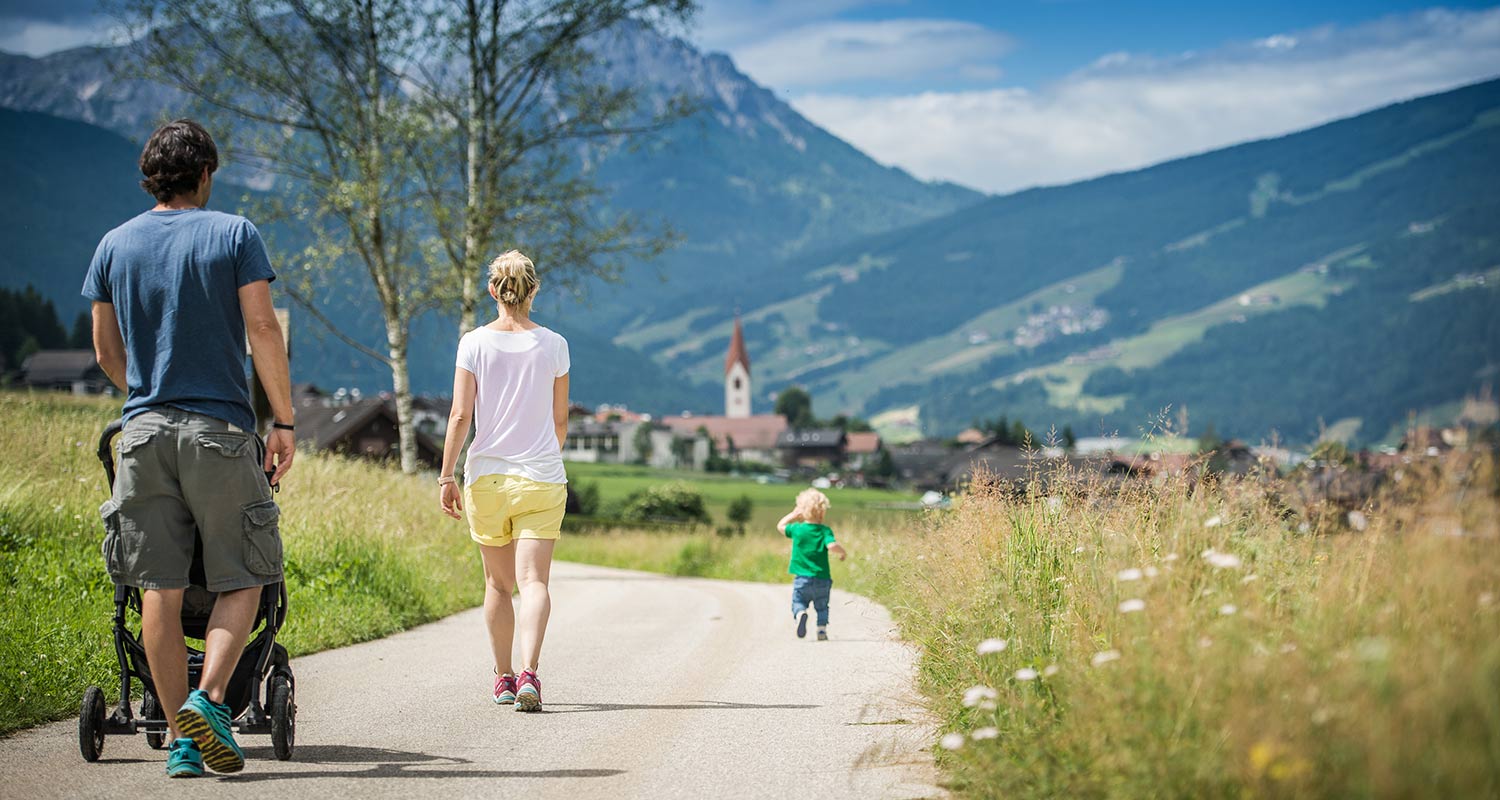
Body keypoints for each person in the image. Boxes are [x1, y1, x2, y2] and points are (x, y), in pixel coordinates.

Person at [83, 119, 295, 778]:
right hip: (219, 433)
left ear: (150, 176)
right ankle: (209, 703)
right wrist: (283, 421)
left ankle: (180, 740)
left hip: (141, 437)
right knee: (245, 574)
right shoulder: (234, 234)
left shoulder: (113, 245)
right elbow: (261, 327)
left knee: (158, 588)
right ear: (206, 174)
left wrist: (147, 395)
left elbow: (104, 352)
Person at [438, 250, 570, 713]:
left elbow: (459, 415)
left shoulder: (472, 342)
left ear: (493, 290)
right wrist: (542, 454)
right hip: (541, 478)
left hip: (487, 479)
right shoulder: (555, 344)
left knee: (498, 586)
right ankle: (531, 672)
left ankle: (504, 680)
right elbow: (560, 422)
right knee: (535, 582)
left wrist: (446, 475)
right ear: (534, 290)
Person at [776, 488, 847, 641]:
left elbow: (780, 526)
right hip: (822, 578)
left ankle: (801, 613)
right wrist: (843, 553)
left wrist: (792, 515)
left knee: (798, 601)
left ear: (802, 511)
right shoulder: (824, 530)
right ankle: (821, 630)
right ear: (822, 512)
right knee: (822, 606)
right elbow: (832, 546)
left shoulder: (797, 529)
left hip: (802, 578)